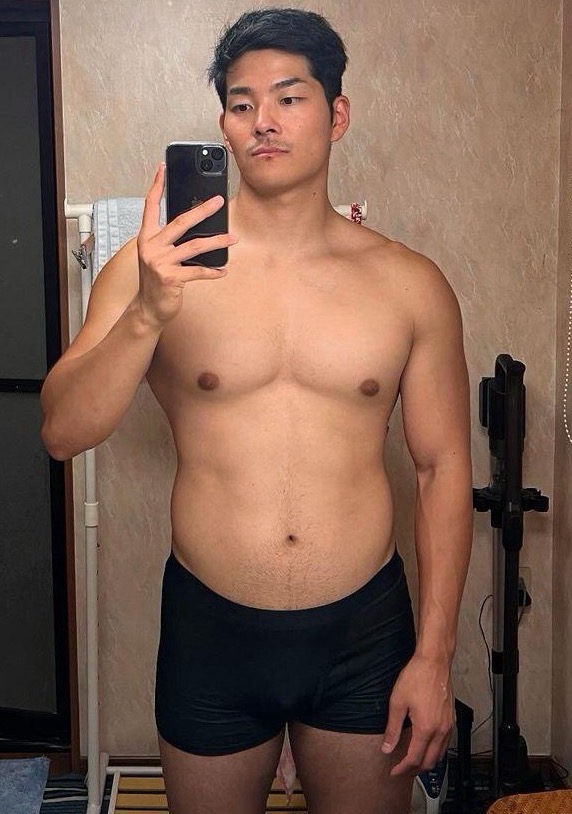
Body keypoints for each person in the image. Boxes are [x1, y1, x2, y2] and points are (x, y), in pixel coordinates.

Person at [41, 7, 473, 814]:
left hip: (363, 634)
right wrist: (147, 312)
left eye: (288, 97)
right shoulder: (152, 270)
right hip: (212, 631)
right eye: (241, 104)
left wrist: (435, 655)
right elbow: (63, 433)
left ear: (337, 115)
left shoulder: (409, 284)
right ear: (224, 128)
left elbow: (441, 468)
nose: (263, 121)